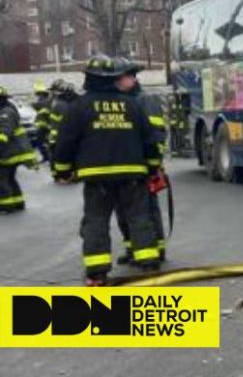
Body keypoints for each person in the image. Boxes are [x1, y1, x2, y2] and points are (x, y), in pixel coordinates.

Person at [53, 55, 162, 286]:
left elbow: (65, 142)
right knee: (139, 217)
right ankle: (149, 264)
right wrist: (153, 168)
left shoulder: (79, 106)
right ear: (112, 77)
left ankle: (97, 273)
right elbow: (150, 140)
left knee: (96, 221)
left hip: (97, 178)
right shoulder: (132, 104)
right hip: (133, 174)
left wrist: (62, 171)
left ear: (88, 79)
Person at [116, 76, 167, 265]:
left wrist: (154, 164)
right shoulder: (122, 101)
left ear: (132, 79)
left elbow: (157, 134)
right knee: (124, 211)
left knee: (147, 210)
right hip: (126, 166)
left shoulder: (146, 99)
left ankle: (156, 249)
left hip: (145, 165)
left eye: (121, 79)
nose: (117, 83)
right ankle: (132, 249)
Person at [0, 86, 37, 213]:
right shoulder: (7, 109)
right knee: (10, 178)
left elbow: (3, 134)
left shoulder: (5, 113)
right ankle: (17, 202)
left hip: (12, 152)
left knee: (2, 179)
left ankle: (6, 206)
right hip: (12, 151)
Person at [46, 81, 79, 181]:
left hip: (59, 137)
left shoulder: (59, 104)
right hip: (64, 136)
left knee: (57, 156)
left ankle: (59, 175)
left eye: (54, 92)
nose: (52, 94)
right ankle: (70, 174)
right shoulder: (71, 103)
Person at [30, 81, 52, 162]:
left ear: (43, 94)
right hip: (43, 126)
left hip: (46, 126)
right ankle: (46, 157)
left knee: (42, 142)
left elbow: (37, 105)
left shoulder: (46, 102)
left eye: (39, 94)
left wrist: (32, 104)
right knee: (42, 142)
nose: (38, 96)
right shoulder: (46, 100)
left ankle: (48, 157)